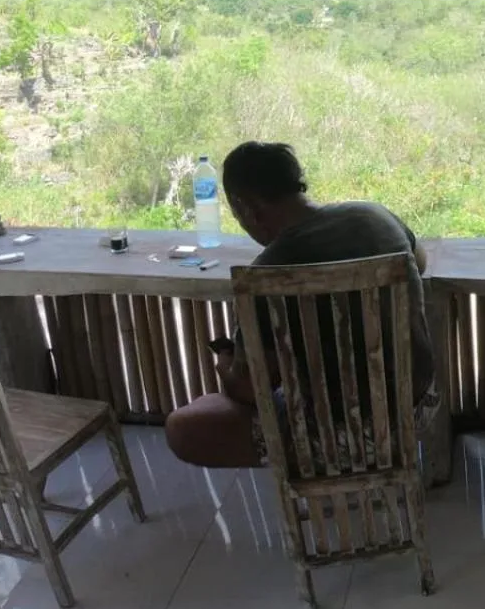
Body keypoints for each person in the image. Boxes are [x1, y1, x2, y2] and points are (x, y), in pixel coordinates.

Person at [163, 142, 436, 469]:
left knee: (184, 427)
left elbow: (252, 390)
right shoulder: (374, 215)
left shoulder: (265, 276)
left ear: (247, 208)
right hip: (417, 407)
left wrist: (226, 368)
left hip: (337, 436)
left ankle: (325, 463)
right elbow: (419, 262)